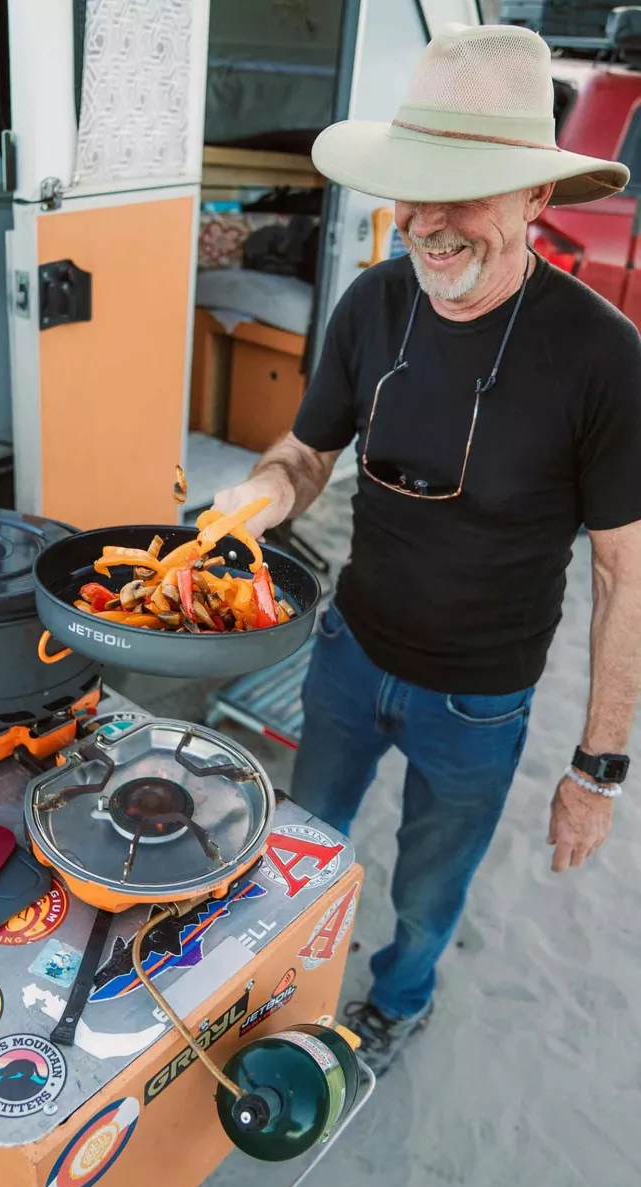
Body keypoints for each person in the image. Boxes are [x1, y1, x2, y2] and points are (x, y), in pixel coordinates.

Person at [214, 23, 641, 1076]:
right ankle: (275, 976)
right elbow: (306, 450)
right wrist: (262, 492)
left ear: (536, 199)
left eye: (467, 191)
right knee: (302, 841)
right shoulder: (371, 302)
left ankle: (395, 1000)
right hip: (348, 658)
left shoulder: (601, 356)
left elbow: (622, 574)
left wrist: (594, 767)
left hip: (479, 700)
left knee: (425, 886)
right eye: (416, 187)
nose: (431, 224)